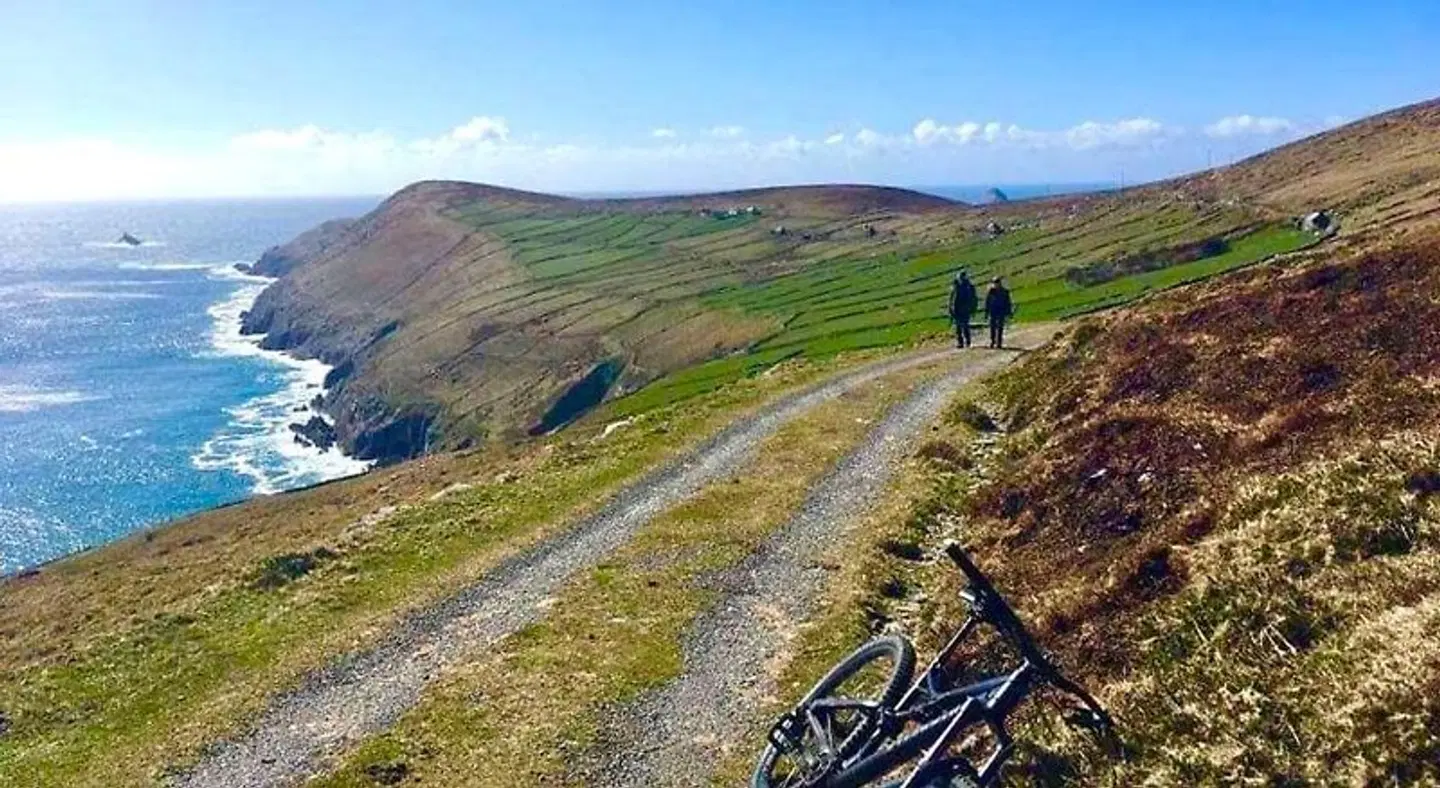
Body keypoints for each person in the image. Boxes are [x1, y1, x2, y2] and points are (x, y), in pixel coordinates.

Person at [948, 270, 978, 348]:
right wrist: (950, 308)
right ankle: (960, 342)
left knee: (965, 326)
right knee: (958, 328)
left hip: (965, 310)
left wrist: (972, 308)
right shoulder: (955, 287)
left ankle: (967, 341)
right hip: (956, 310)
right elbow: (951, 299)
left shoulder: (969, 287)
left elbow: (973, 299)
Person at [984, 277, 1013, 348]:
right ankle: (993, 341)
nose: (996, 284)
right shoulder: (990, 292)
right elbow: (987, 302)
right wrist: (986, 312)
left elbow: (1008, 302)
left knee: (1000, 327)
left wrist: (1009, 312)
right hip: (993, 311)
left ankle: (999, 342)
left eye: (997, 282)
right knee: (992, 327)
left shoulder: (1005, 292)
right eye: (995, 283)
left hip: (1001, 311)